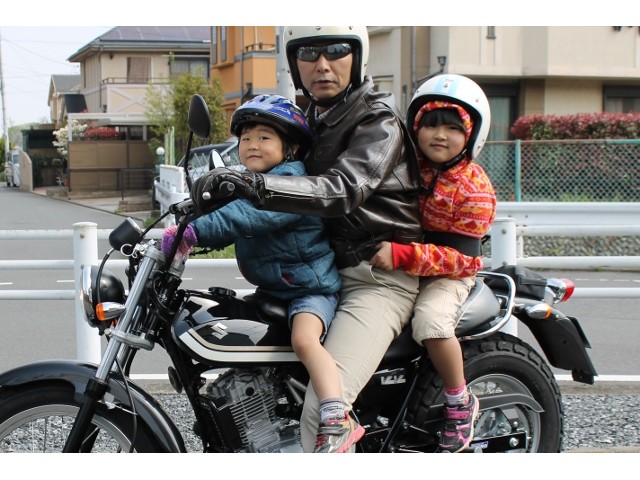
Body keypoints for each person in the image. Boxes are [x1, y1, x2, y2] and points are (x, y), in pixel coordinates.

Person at [190, 26, 423, 453]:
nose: (322, 64)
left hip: (374, 276)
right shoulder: (309, 119)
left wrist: (255, 187)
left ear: (357, 57)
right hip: (322, 268)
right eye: (309, 53)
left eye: (336, 50)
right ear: (295, 64)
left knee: (320, 412)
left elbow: (342, 189)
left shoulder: (378, 121)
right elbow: (267, 163)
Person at [161, 94, 352, 447]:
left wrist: (194, 233)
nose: (252, 144)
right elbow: (229, 215)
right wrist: (193, 218)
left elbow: (246, 217)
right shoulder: (254, 182)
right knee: (233, 324)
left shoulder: (290, 184)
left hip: (309, 291)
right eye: (246, 137)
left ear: (291, 147)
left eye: (264, 137)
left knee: (304, 340)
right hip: (275, 289)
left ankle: (335, 415)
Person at [370, 74, 497, 452]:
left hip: (449, 273)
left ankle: (459, 400)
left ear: (471, 135)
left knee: (430, 322)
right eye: (430, 125)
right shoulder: (408, 168)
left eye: (453, 128)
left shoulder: (474, 187)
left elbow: (463, 258)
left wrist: (404, 255)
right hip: (405, 264)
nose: (440, 135)